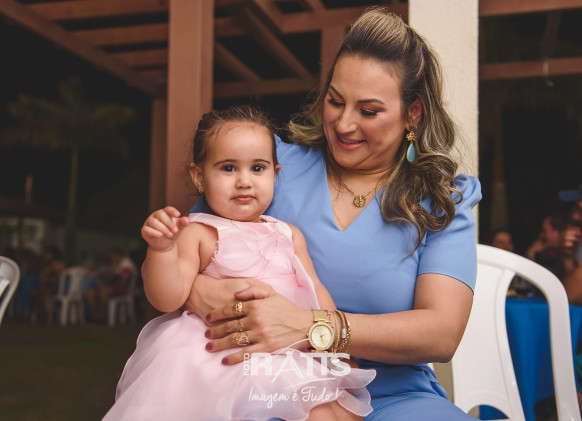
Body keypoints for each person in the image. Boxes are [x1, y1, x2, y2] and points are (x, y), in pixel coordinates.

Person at [188, 8, 481, 420]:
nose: (343, 124)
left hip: (394, 397)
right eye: (336, 101)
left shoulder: (441, 199)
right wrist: (204, 295)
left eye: (369, 111)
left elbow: (441, 333)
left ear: (412, 112)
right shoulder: (267, 167)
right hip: (273, 385)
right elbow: (185, 255)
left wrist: (311, 327)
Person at [103, 105, 375, 421]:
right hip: (225, 357)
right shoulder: (200, 232)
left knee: (337, 415)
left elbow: (315, 290)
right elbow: (167, 298)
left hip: (288, 349)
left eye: (257, 168)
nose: (244, 181)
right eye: (229, 168)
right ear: (199, 177)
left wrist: (333, 348)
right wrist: (162, 250)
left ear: (275, 174)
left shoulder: (288, 234)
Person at [84, 246, 137, 321]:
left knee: (103, 291)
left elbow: (123, 282)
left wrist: (108, 285)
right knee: (89, 293)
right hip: (112, 285)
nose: (111, 258)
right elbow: (108, 274)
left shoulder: (126, 264)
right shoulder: (117, 263)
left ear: (116, 255)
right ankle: (96, 314)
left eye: (112, 256)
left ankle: (102, 316)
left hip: (123, 289)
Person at [30, 245, 65, 323]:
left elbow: (58, 278)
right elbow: (42, 277)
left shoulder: (58, 265)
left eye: (49, 254)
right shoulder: (47, 265)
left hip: (56, 289)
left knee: (42, 294)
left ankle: (45, 314)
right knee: (35, 293)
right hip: (46, 287)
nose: (47, 255)